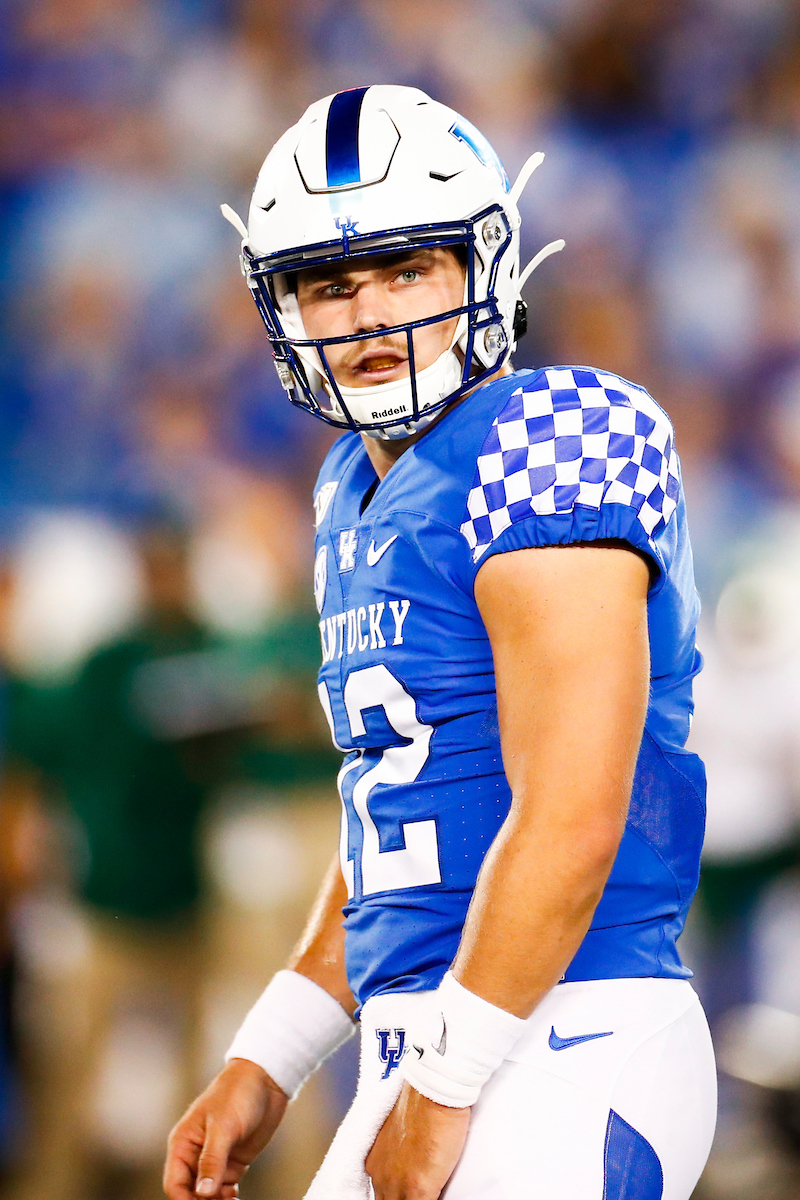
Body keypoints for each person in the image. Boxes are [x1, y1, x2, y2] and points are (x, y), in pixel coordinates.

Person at [164, 84, 717, 1200]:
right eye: (327, 284)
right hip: (434, 1040)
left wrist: (446, 1082)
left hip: (565, 1026)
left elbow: (569, 812)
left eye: (408, 268)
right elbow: (396, 814)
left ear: (487, 267)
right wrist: (272, 1055)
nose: (368, 315)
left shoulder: (552, 433)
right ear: (279, 309)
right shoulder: (347, 490)